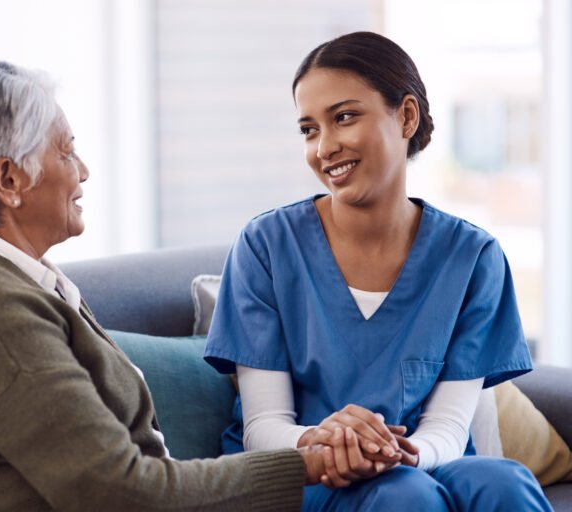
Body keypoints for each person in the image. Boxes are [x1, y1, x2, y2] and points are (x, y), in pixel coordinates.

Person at [0, 51, 359, 511]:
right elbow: (121, 496)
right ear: (8, 181)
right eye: (66, 152)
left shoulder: (2, 280)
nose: (83, 171)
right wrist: (301, 466)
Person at [204, 31, 552, 511]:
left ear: (406, 116)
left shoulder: (471, 257)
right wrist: (329, 441)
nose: (324, 147)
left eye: (344, 117)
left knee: (504, 483)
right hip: (305, 471)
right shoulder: (265, 247)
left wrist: (401, 453)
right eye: (309, 129)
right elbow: (264, 427)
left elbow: (449, 428)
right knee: (405, 497)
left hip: (423, 463)